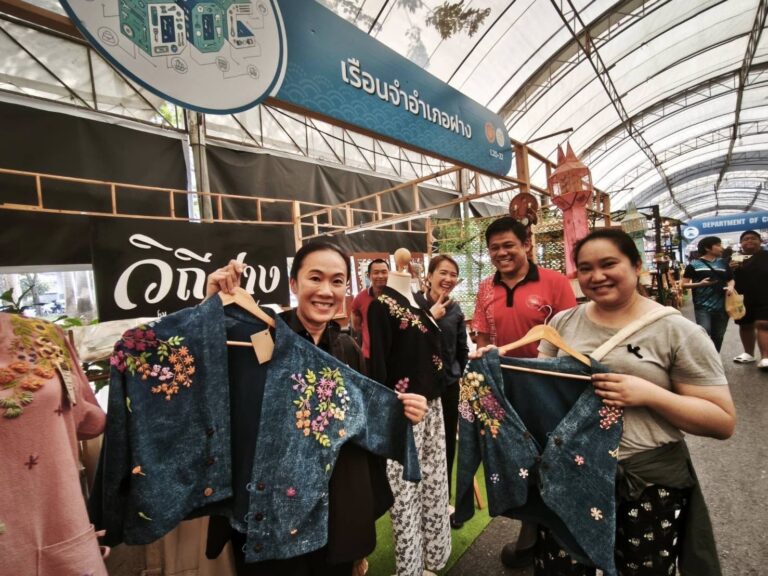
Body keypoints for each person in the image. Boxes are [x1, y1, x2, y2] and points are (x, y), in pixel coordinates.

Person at [205, 242, 428, 576]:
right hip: (269, 510)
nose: (326, 291)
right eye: (315, 278)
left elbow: (363, 420)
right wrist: (209, 308)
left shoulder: (347, 349)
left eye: (337, 281)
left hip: (334, 510)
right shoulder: (256, 338)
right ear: (294, 284)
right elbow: (209, 384)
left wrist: (402, 409)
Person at [529, 228, 735, 575]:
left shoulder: (677, 331)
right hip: (572, 477)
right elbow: (541, 392)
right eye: (585, 268)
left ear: (637, 265)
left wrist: (649, 394)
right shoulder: (562, 323)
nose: (597, 276)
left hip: (647, 483)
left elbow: (722, 421)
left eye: (609, 264)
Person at [471, 216, 577, 567]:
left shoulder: (555, 282)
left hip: (550, 390)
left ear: (526, 244)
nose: (501, 253)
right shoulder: (486, 288)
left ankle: (559, 536)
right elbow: (482, 339)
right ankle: (531, 534)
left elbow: (571, 339)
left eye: (508, 245)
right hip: (506, 393)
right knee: (519, 464)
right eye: (494, 248)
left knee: (555, 461)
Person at [414, 255, 469, 523]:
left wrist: (457, 374)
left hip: (448, 387)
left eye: (453, 274)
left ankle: (442, 502)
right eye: (443, 272)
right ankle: (417, 503)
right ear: (430, 275)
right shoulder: (414, 304)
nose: (448, 278)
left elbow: (462, 350)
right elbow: (406, 342)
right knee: (420, 447)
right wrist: (428, 317)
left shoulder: (456, 310)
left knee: (445, 446)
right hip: (418, 390)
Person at [682, 236, 734, 351]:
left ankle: (714, 357)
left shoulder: (723, 263)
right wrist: (700, 284)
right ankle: (705, 356)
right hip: (702, 306)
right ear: (707, 248)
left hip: (722, 305)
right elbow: (683, 284)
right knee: (704, 332)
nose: (721, 248)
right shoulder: (693, 265)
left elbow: (730, 279)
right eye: (718, 245)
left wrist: (731, 286)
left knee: (718, 335)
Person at [730, 229, 768, 369]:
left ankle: (765, 357)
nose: (749, 241)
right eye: (746, 239)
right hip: (742, 297)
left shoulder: (766, 255)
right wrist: (730, 269)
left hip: (765, 296)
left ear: (760, 241)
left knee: (763, 324)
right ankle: (748, 353)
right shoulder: (735, 258)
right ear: (741, 243)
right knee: (745, 325)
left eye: (753, 238)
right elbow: (727, 278)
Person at [350, 258, 389, 363]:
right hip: (369, 354)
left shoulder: (396, 296)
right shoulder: (361, 297)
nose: (380, 276)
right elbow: (354, 314)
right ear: (369, 275)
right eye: (376, 272)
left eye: (384, 272)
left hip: (392, 354)